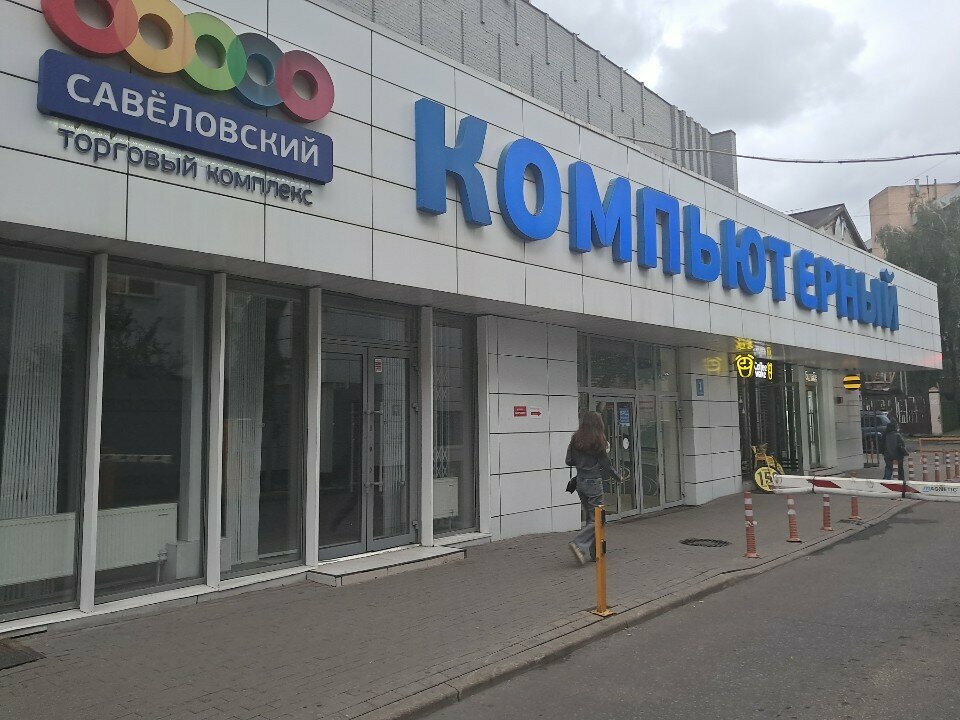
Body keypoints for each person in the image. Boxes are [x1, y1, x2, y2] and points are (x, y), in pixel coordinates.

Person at [565, 411, 622, 566]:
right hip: (594, 483)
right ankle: (578, 543)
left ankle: (594, 553)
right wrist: (618, 477)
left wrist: (581, 460)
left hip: (580, 482)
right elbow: (606, 465)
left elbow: (568, 461)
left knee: (591, 518)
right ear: (598, 424)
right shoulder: (598, 440)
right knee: (598, 518)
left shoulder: (575, 439)